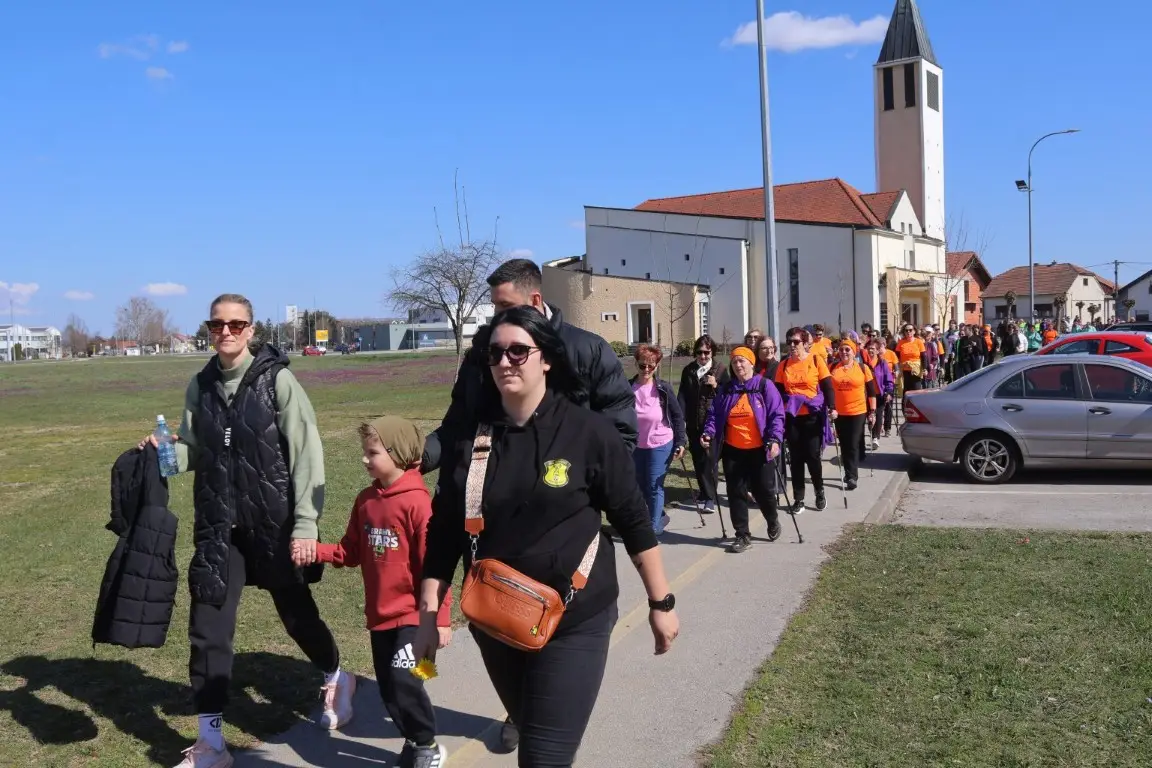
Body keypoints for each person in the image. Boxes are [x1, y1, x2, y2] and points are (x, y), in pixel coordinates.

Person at [413, 306, 679, 767]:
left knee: (542, 758)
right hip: (497, 619)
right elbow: (443, 535)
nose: (505, 361)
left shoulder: (588, 433)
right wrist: (427, 616)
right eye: (495, 353)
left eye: (518, 351)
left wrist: (662, 603)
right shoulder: (472, 439)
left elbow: (633, 521)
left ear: (547, 359)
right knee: (530, 725)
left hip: (575, 619)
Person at [137, 293, 351, 768]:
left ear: (252, 330)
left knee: (297, 616)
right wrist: (163, 451)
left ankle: (336, 675)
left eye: (236, 324)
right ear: (209, 330)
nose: (226, 332)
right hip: (220, 527)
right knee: (208, 627)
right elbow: (196, 450)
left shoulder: (278, 381)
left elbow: (307, 454)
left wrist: (306, 525)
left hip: (275, 524)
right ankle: (211, 743)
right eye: (217, 325)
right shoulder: (201, 385)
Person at [298, 416, 453, 768]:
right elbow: (350, 552)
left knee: (405, 680)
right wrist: (315, 551)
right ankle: (414, 740)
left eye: (373, 452)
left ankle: (427, 745)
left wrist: (441, 619)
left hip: (416, 616)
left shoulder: (417, 503)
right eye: (364, 451)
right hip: (380, 617)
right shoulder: (366, 501)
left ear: (398, 454)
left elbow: (436, 566)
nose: (364, 459)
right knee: (389, 688)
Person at [699, 346, 786, 553]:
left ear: (751, 363)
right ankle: (742, 534)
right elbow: (714, 414)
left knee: (763, 491)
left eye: (742, 361)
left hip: (760, 449)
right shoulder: (727, 389)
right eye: (734, 362)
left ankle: (772, 520)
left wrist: (775, 439)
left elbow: (777, 415)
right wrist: (708, 432)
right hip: (733, 450)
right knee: (736, 492)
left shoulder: (764, 386)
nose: (738, 365)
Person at [775, 327, 835, 513]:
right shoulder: (783, 365)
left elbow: (827, 386)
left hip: (812, 416)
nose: (792, 345)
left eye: (796, 342)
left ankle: (819, 490)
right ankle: (798, 499)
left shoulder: (816, 360)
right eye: (789, 342)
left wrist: (832, 407)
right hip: (792, 417)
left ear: (805, 343)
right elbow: (778, 392)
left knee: (813, 456)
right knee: (796, 459)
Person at [630, 344, 687, 534]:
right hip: (636, 445)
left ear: (657, 366)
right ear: (636, 364)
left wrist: (681, 442)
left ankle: (653, 528)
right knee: (640, 485)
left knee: (654, 485)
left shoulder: (663, 388)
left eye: (651, 366)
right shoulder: (627, 388)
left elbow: (677, 417)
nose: (646, 369)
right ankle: (660, 515)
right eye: (642, 365)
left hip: (661, 443)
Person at [677, 335, 724, 514]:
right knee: (697, 459)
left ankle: (710, 498)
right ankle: (704, 493)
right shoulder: (689, 370)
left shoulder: (720, 369)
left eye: (706, 352)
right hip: (693, 422)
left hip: (712, 423)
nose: (703, 356)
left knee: (709, 460)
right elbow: (682, 396)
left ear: (712, 352)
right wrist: (680, 418)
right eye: (699, 352)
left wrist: (716, 385)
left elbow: (727, 395)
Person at [829, 340, 878, 490]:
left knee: (853, 443)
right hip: (839, 413)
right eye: (841, 350)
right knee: (844, 443)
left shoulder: (862, 368)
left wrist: (872, 411)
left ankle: (852, 477)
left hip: (858, 411)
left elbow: (871, 392)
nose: (844, 352)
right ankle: (849, 471)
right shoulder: (832, 368)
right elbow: (827, 390)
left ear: (853, 351)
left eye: (847, 350)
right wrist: (829, 408)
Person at [862, 337, 895, 449]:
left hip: (879, 394)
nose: (870, 350)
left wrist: (889, 391)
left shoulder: (882, 363)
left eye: (873, 349)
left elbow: (888, 378)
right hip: (867, 395)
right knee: (870, 415)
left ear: (877, 351)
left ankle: (875, 438)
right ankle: (872, 434)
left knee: (878, 415)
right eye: (869, 348)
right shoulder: (863, 364)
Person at [895, 323, 927, 409]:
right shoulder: (901, 342)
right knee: (906, 392)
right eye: (906, 330)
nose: (908, 332)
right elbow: (896, 357)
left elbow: (924, 356)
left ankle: (917, 410)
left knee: (916, 391)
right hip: (904, 370)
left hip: (916, 370)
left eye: (910, 330)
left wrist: (925, 369)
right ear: (904, 332)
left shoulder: (918, 342)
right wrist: (896, 369)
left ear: (914, 331)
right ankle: (905, 411)